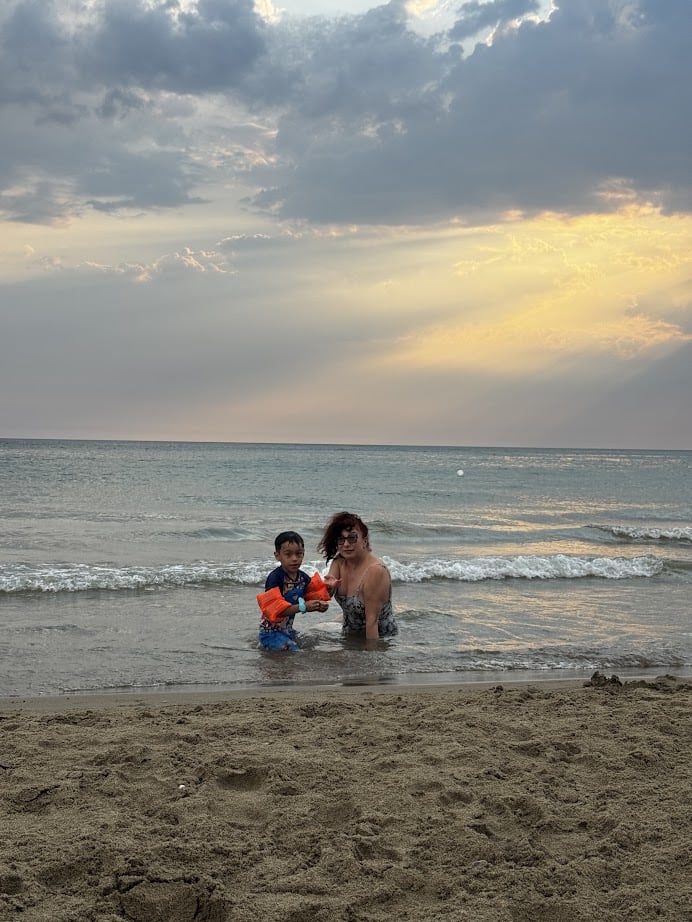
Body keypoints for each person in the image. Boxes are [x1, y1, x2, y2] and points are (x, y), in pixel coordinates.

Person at [318, 512, 398, 643]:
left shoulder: (375, 571)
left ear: (364, 541)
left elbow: (372, 623)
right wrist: (327, 588)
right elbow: (326, 594)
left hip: (381, 638)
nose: (346, 544)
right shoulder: (339, 562)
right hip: (349, 634)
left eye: (352, 538)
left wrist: (370, 657)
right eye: (341, 540)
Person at [256, 530, 330, 651]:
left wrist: (320, 605)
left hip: (287, 629)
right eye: (288, 554)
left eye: (298, 554)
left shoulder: (303, 577)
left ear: (303, 554)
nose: (294, 559)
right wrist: (304, 607)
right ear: (277, 555)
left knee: (314, 642)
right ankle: (266, 644)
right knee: (294, 651)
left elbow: (310, 599)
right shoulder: (275, 578)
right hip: (270, 631)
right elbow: (275, 611)